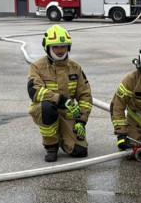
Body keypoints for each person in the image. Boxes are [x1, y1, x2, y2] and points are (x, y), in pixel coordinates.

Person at [27, 24, 93, 162]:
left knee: (80, 152)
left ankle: (64, 136)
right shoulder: (37, 67)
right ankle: (51, 146)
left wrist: (81, 120)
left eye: (63, 46)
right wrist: (61, 100)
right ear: (48, 47)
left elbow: (85, 95)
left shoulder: (75, 68)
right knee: (47, 108)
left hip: (67, 114)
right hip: (44, 110)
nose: (59, 50)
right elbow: (34, 91)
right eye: (55, 46)